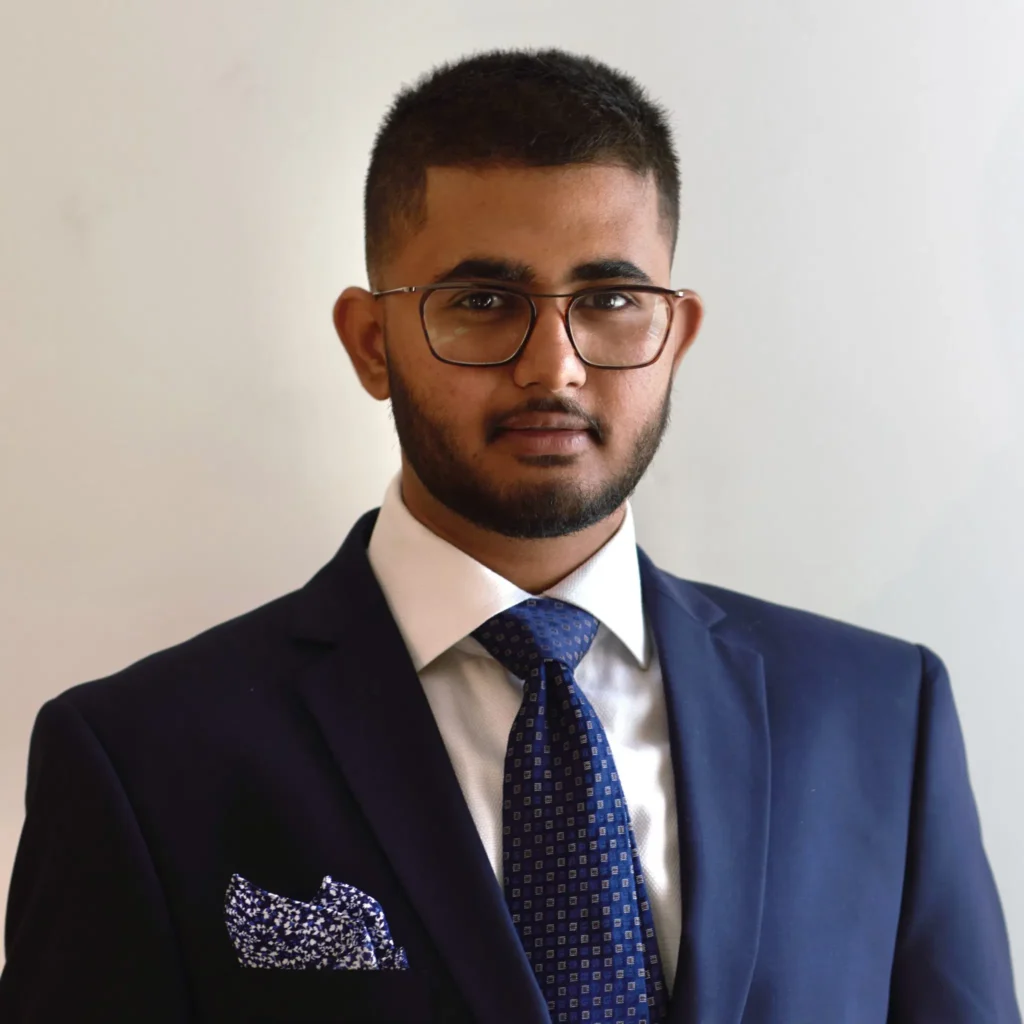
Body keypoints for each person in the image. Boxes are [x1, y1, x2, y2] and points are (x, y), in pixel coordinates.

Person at [0, 47, 1018, 1024]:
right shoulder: (143, 757)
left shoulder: (881, 718)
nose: (555, 367)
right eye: (483, 302)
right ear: (371, 342)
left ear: (677, 335)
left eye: (610, 299)